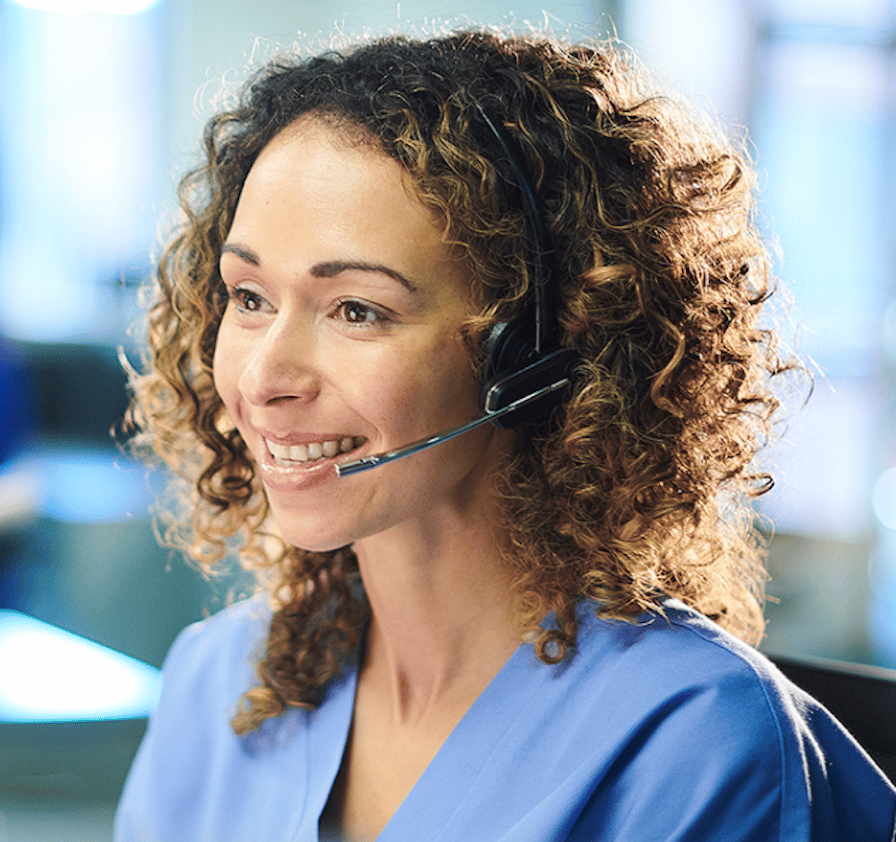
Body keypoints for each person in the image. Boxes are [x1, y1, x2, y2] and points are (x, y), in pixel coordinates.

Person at [114, 29, 896, 842]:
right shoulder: (215, 684)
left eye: (357, 310)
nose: (262, 379)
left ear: (536, 353)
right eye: (248, 297)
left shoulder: (697, 746)